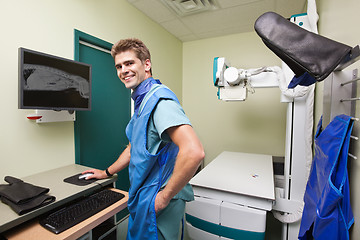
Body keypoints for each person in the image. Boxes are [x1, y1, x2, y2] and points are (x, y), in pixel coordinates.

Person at [83, 38, 205, 240]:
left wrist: (163, 198)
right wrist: (106, 172)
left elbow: (194, 152)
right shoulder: (143, 102)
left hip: (157, 199)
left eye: (129, 63)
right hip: (144, 197)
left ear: (146, 64)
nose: (123, 70)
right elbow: (134, 148)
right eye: (119, 66)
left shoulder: (160, 101)